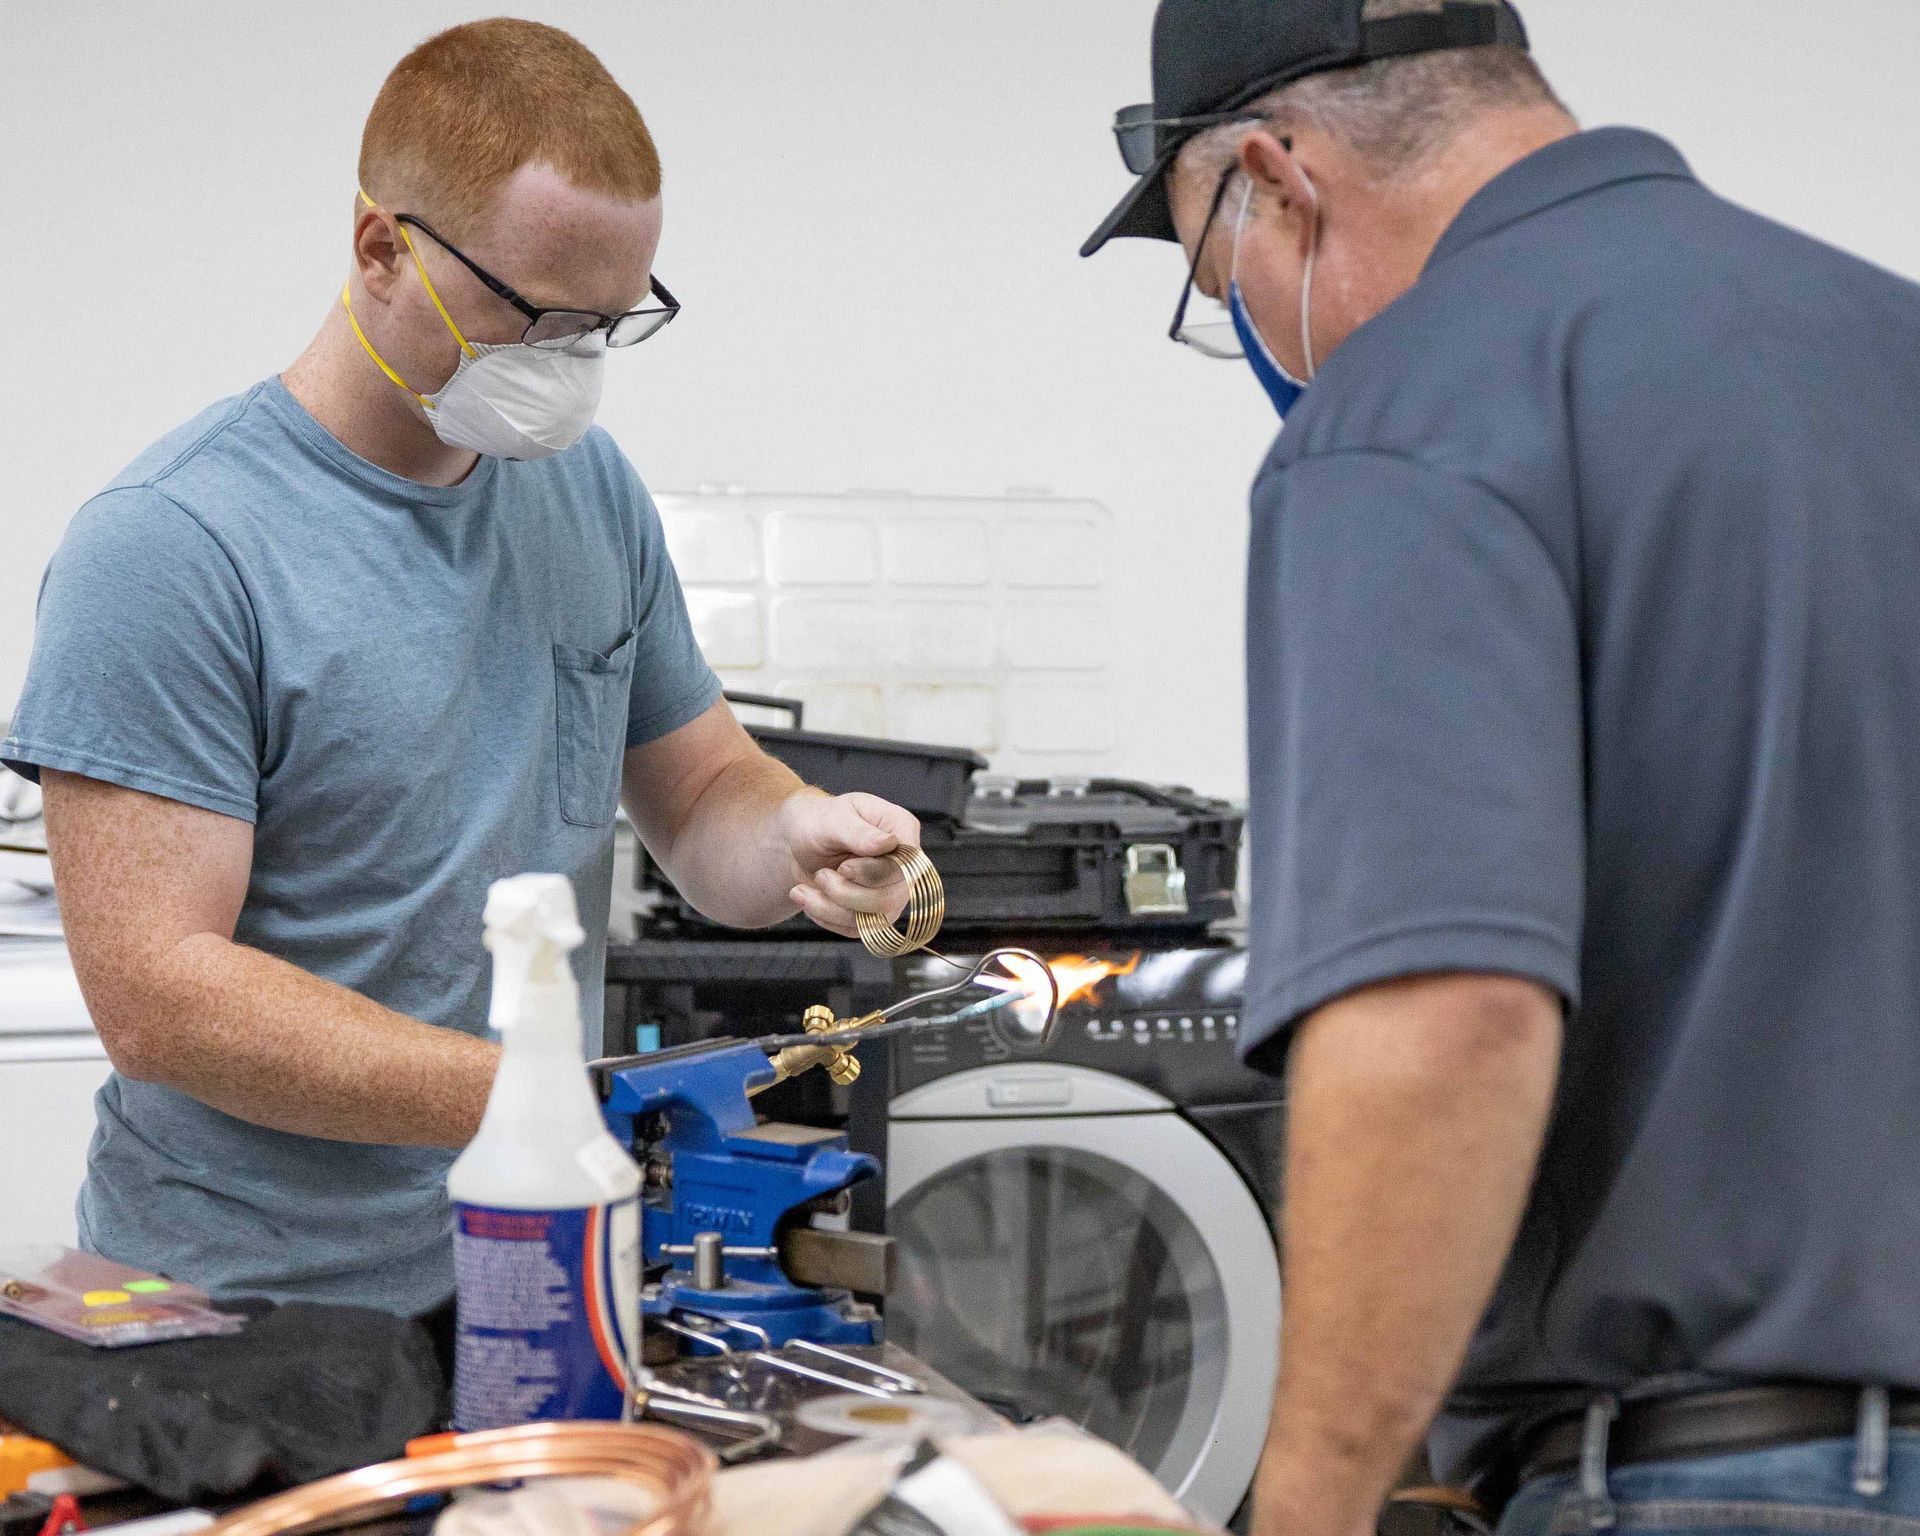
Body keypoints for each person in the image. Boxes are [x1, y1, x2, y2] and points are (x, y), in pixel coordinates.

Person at [1083, 2, 1920, 1535]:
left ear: (1275, 178)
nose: (1252, 334)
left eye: (1220, 279)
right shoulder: (1891, 339)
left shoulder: (1411, 413)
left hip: (1709, 1483)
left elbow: (1443, 1016)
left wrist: (1314, 1507)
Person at [2, 19, 915, 1313]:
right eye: (536, 317)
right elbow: (162, 999)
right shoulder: (172, 546)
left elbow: (706, 795)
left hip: (535, 1263)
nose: (571, 366)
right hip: (243, 1311)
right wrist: (546, 1097)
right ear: (381, 248)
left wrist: (800, 835)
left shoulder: (587, 491)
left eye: (607, 325)